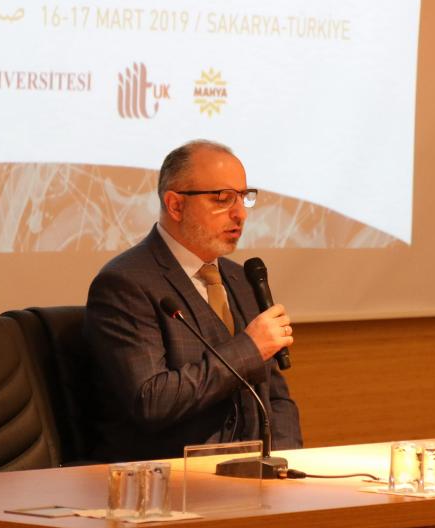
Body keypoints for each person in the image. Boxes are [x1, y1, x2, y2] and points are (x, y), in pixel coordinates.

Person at [84, 140, 302, 461]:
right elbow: (152, 400)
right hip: (171, 475)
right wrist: (249, 349)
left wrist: (285, 462)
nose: (240, 213)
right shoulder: (125, 284)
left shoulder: (242, 279)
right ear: (175, 205)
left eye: (243, 197)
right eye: (223, 198)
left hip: (253, 473)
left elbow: (276, 398)